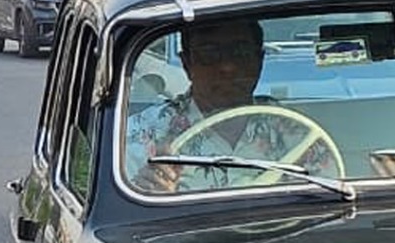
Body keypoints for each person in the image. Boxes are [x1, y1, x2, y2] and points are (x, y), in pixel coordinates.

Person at [126, 18, 337, 192]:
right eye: (209, 54)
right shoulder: (140, 135)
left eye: (240, 52)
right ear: (187, 64)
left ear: (259, 60)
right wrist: (148, 190)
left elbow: (330, 203)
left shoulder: (297, 133)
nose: (227, 67)